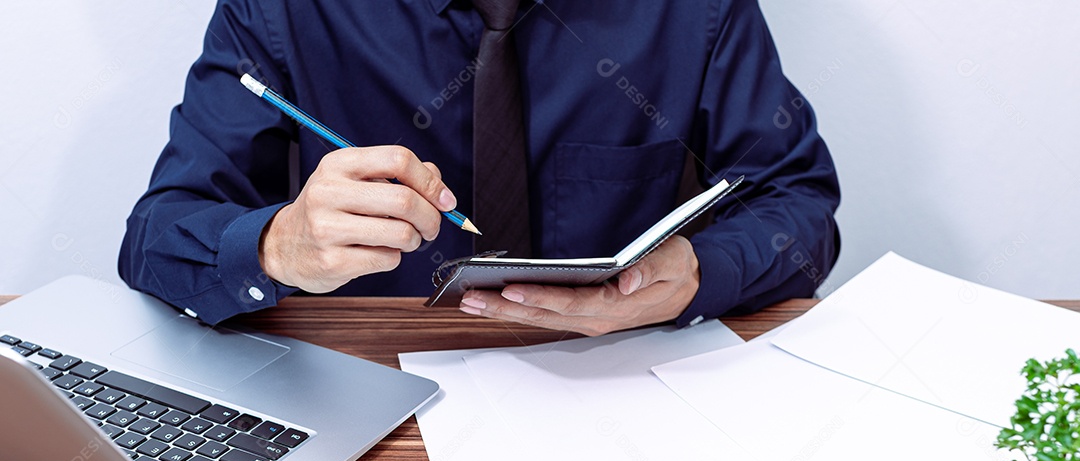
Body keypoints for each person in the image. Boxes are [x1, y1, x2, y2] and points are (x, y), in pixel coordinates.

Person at [119, 0, 840, 336]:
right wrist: (278, 245)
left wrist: (699, 274)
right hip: (368, 397)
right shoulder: (284, 8)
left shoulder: (695, 10)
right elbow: (155, 236)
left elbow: (798, 200)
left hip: (622, 388)